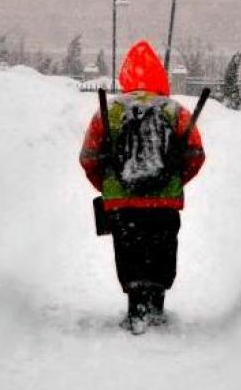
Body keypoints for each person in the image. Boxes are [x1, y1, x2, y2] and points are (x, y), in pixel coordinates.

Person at [79, 40, 206, 334]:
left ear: (126, 75)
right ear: (160, 75)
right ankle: (156, 305)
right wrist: (173, 180)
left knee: (130, 251)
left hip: (122, 203)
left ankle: (136, 308)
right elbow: (196, 155)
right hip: (164, 203)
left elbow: (89, 157)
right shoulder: (175, 111)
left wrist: (110, 185)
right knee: (161, 249)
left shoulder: (109, 112)